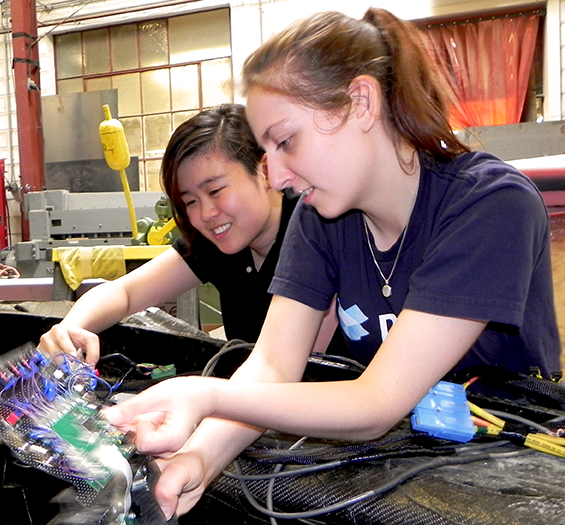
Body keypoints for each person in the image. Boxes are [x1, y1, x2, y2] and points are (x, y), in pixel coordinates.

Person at [101, 7, 562, 521]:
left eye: (285, 141)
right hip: (401, 466)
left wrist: (204, 396)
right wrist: (202, 458)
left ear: (361, 103)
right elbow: (274, 364)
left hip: (511, 474)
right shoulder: (322, 218)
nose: (274, 175)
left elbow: (376, 402)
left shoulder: (489, 206)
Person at [38, 103, 338, 365]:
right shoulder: (218, 243)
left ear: (265, 170)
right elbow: (125, 292)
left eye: (215, 190)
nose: (205, 214)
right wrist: (70, 328)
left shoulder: (315, 228)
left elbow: (290, 367)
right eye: (190, 201)